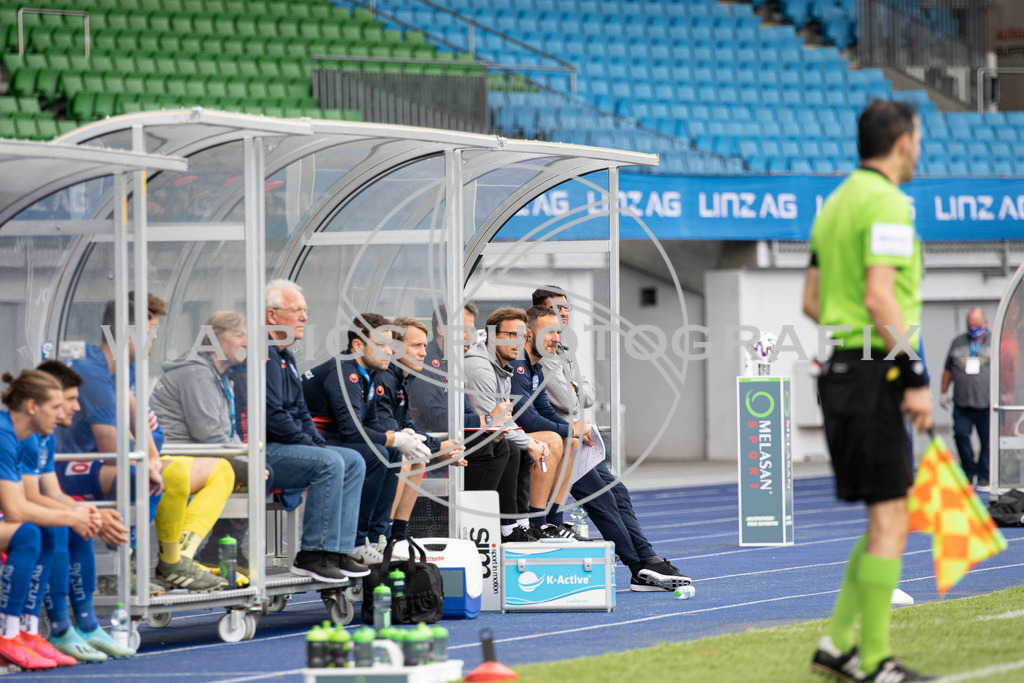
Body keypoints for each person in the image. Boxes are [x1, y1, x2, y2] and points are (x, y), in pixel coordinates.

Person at [803, 100, 935, 682]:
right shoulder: (886, 202)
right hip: (874, 369)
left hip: (841, 367)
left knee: (888, 516)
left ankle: (836, 646)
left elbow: (811, 300)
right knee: (891, 518)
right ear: (904, 141)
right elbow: (882, 298)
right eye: (919, 137)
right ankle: (877, 662)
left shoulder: (834, 205)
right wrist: (915, 375)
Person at [58, 293, 226, 593]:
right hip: (69, 467)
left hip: (107, 462)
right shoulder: (90, 369)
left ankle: (175, 559)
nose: (155, 336)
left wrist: (144, 446)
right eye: (149, 329)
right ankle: (120, 566)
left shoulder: (127, 368)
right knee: (144, 474)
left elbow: (142, 424)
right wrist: (144, 451)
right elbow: (112, 445)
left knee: (219, 469)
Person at [531, 288, 690, 591]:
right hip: (562, 442)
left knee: (619, 494)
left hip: (577, 440)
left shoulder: (564, 349)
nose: (564, 313)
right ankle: (639, 567)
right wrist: (574, 390)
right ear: (540, 314)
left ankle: (645, 558)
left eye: (567, 308)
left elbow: (587, 393)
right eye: (557, 308)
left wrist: (575, 390)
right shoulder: (544, 355)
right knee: (602, 501)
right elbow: (569, 398)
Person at [302, 313, 435, 564]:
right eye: (382, 345)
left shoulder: (368, 372)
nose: (388, 352)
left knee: (392, 453)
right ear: (357, 345)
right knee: (379, 454)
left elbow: (370, 422)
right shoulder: (345, 371)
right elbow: (351, 430)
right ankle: (355, 540)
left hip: (332, 438)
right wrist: (393, 439)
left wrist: (399, 436)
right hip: (311, 441)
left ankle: (376, 538)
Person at [264, 279, 370, 582]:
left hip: (288, 446)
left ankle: (338, 550)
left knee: (352, 460)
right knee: (330, 462)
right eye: (296, 310)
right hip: (264, 450)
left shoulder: (286, 356)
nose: (304, 317)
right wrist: (310, 446)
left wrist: (315, 442)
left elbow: (300, 410)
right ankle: (312, 553)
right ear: (272, 316)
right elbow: (272, 415)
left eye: (305, 310)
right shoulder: (262, 353)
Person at [28, 361, 128, 662]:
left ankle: (85, 624)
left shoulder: (43, 435)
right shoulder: (19, 432)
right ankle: (53, 628)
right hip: (12, 512)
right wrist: (78, 515)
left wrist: (87, 513)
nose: (75, 407)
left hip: (21, 506)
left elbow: (53, 493)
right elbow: (26, 499)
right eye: (69, 400)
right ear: (44, 402)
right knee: (54, 526)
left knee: (77, 517)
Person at [150, 311, 259, 583]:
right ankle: (184, 555)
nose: (247, 341)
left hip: (196, 454)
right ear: (217, 341)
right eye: (239, 335)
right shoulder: (196, 372)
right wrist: (250, 460)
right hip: (173, 456)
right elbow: (211, 434)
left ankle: (215, 550)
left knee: (255, 471)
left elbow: (223, 433)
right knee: (240, 471)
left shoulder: (223, 375)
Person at [1, 370, 99, 669]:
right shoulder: (6, 435)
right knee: (29, 533)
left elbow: (23, 502)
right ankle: (8, 633)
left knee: (41, 531)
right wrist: (72, 516)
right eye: (57, 406)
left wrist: (76, 515)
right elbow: (18, 509)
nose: (63, 414)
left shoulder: (19, 436)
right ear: (32, 406)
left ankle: (27, 632)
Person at [374, 317, 464, 546]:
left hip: (383, 441)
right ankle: (381, 536)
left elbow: (408, 426)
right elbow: (391, 429)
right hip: (363, 442)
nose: (424, 352)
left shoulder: (405, 377)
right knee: (403, 457)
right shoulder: (385, 376)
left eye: (424, 345)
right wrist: (438, 447)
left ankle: (399, 534)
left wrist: (438, 448)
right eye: (416, 346)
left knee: (418, 457)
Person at [463, 308, 549, 543]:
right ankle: (502, 528)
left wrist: (531, 442)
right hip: (468, 443)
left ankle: (519, 524)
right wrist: (528, 443)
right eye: (510, 335)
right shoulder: (480, 367)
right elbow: (490, 422)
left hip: (484, 440)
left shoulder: (502, 365)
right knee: (509, 447)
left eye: (521, 337)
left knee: (519, 446)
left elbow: (503, 418)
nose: (517, 342)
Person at [509, 305, 591, 540]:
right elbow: (527, 418)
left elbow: (544, 411)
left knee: (570, 443)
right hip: (501, 437)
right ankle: (537, 523)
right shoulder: (518, 365)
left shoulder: (536, 368)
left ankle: (553, 520)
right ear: (529, 335)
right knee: (555, 440)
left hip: (520, 435)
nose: (556, 338)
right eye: (549, 332)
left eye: (557, 332)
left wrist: (573, 432)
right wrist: (569, 429)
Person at [940, 307, 992, 491]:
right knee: (961, 435)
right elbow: (948, 368)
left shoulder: (994, 342)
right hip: (962, 402)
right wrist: (943, 392)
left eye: (976, 326)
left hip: (986, 402)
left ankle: (985, 476)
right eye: (970, 326)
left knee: (987, 440)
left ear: (984, 323)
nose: (973, 329)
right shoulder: (958, 342)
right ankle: (969, 472)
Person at [407, 302, 478, 432]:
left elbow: (466, 409)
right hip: (430, 436)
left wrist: (483, 423)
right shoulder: (425, 361)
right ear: (441, 329)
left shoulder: (452, 361)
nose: (469, 337)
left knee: (501, 444)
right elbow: (438, 419)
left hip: (451, 433)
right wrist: (486, 420)